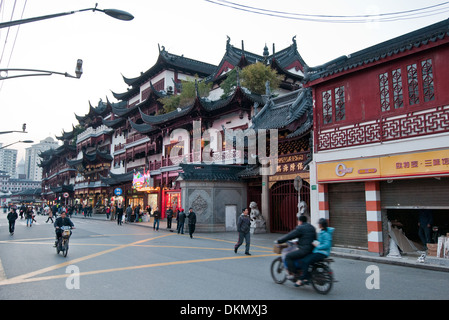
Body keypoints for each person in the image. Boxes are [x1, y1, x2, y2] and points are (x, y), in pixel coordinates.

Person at [295, 218, 334, 286]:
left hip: (321, 253)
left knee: (305, 261)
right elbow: (320, 241)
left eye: (319, 223)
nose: (318, 225)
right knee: (307, 258)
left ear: (321, 225)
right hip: (318, 252)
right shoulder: (322, 231)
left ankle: (303, 278)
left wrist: (317, 246)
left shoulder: (326, 233)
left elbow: (327, 245)